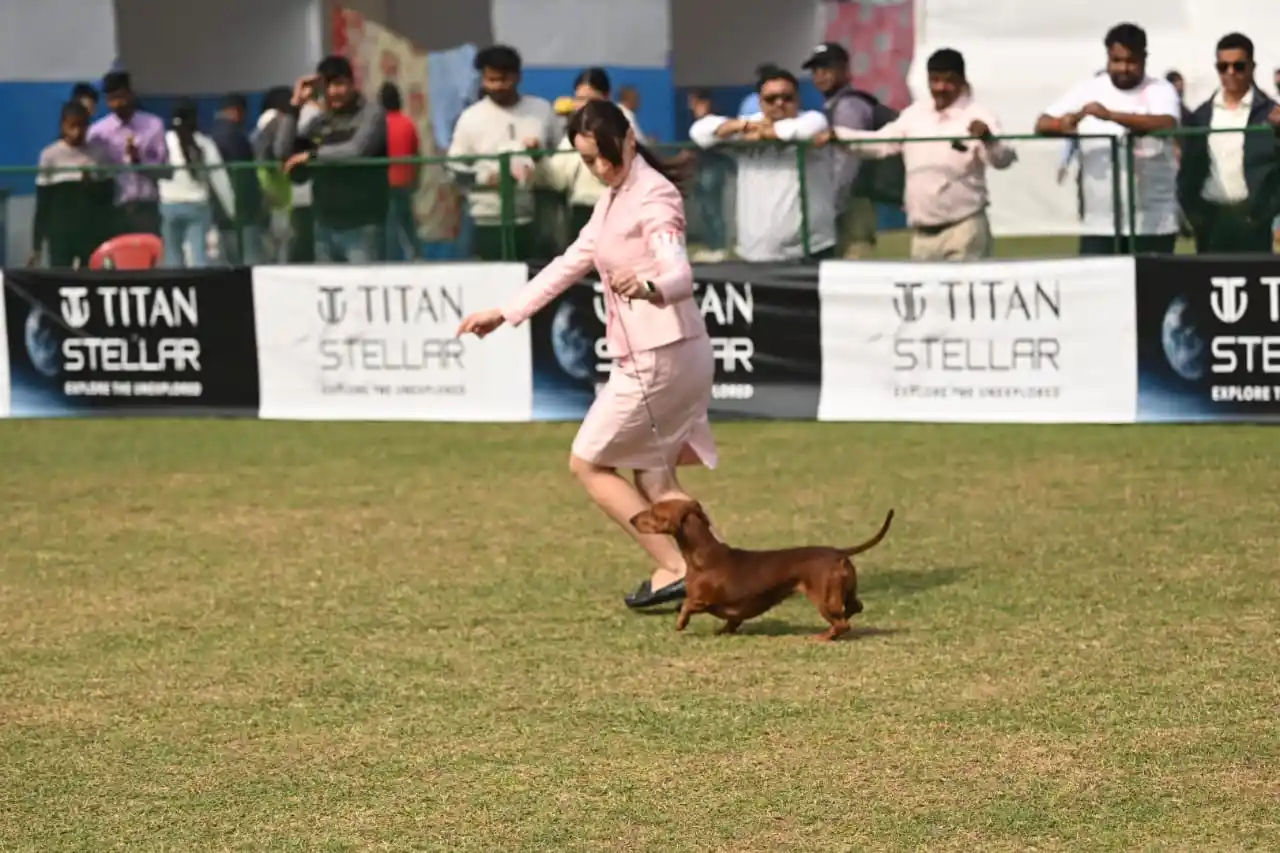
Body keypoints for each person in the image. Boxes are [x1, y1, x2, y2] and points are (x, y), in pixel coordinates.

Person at [456, 100, 717, 611]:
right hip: (671, 351)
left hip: (659, 354)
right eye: (586, 160)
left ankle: (677, 568)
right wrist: (506, 312)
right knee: (654, 475)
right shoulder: (616, 196)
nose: (598, 169)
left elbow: (680, 273)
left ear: (629, 140)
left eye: (604, 155)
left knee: (589, 463)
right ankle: (723, 569)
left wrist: (650, 286)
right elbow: (570, 262)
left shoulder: (654, 196)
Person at [832, 48, 1016, 261]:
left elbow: (1003, 159)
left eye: (949, 81)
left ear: (962, 81)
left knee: (961, 284)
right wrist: (837, 136)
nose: (940, 88)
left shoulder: (978, 115)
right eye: (935, 80)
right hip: (922, 235)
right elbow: (880, 143)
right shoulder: (915, 114)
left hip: (964, 231)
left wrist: (988, 139)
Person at [1035, 23, 1181, 255]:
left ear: (1144, 58)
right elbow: (1042, 124)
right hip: (1099, 223)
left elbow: (1167, 123)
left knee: (1151, 280)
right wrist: (1061, 124)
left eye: (1131, 61)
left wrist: (1111, 116)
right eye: (1116, 60)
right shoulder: (1088, 89)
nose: (1123, 68)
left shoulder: (1160, 89)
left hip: (1152, 223)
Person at [691, 67, 837, 261]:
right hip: (755, 251)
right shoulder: (748, 125)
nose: (779, 103)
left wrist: (761, 133)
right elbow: (699, 131)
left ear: (798, 99)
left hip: (808, 248)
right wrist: (745, 126)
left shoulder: (813, 120)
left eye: (787, 97)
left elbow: (798, 131)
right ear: (760, 102)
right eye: (771, 99)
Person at [447, 44, 560, 261]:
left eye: (504, 79)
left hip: (537, 219)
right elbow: (453, 169)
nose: (497, 86)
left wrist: (538, 157)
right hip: (488, 220)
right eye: (491, 80)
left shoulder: (541, 111)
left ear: (517, 77)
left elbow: (561, 157)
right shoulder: (470, 118)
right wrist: (485, 179)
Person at [276, 55, 390, 263]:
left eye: (339, 84)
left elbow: (357, 151)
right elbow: (282, 152)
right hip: (324, 227)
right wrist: (295, 105)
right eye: (327, 86)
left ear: (352, 83)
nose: (333, 92)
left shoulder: (372, 114)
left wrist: (313, 156)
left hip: (362, 227)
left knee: (363, 284)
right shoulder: (319, 122)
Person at [1178, 33, 1280, 253]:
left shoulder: (1270, 113)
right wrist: (1194, 212)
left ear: (1252, 67)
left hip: (1254, 219)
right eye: (1223, 67)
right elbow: (1189, 167)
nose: (1230, 73)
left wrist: (1268, 210)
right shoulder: (1201, 115)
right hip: (1210, 217)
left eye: (1238, 66)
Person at [803, 41, 882, 259]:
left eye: (826, 68)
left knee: (854, 262)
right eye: (815, 70)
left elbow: (847, 163)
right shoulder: (834, 105)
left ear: (844, 69)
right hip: (844, 199)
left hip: (851, 202)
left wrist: (832, 204)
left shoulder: (848, 106)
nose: (820, 75)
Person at [30, 101, 114, 267]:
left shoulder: (98, 153)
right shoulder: (50, 155)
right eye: (72, 126)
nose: (77, 131)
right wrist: (36, 245)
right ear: (63, 125)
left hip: (90, 232)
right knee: (60, 276)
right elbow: (43, 202)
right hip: (61, 233)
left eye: (82, 126)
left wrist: (91, 184)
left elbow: (107, 199)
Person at [87, 70, 168, 236]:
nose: (119, 103)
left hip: (147, 205)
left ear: (131, 95)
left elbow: (163, 168)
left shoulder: (153, 125)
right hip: (115, 207)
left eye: (122, 97)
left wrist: (140, 160)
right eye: (113, 99)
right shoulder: (98, 132)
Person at [158, 99, 236, 268]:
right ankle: (199, 284)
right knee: (198, 257)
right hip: (197, 206)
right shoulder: (204, 143)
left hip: (169, 204)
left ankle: (173, 284)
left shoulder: (163, 141)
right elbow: (219, 179)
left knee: (172, 258)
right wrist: (231, 210)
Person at [210, 93, 266, 264]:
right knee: (248, 257)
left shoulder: (212, 134)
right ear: (237, 111)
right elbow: (245, 173)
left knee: (226, 255)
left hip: (218, 204)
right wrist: (257, 200)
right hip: (241, 205)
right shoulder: (235, 135)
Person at [380, 81, 423, 261]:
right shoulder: (408, 123)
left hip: (385, 184)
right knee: (407, 223)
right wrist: (415, 179)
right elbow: (416, 153)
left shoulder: (380, 124)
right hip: (406, 181)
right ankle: (416, 257)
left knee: (390, 227)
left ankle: (391, 261)